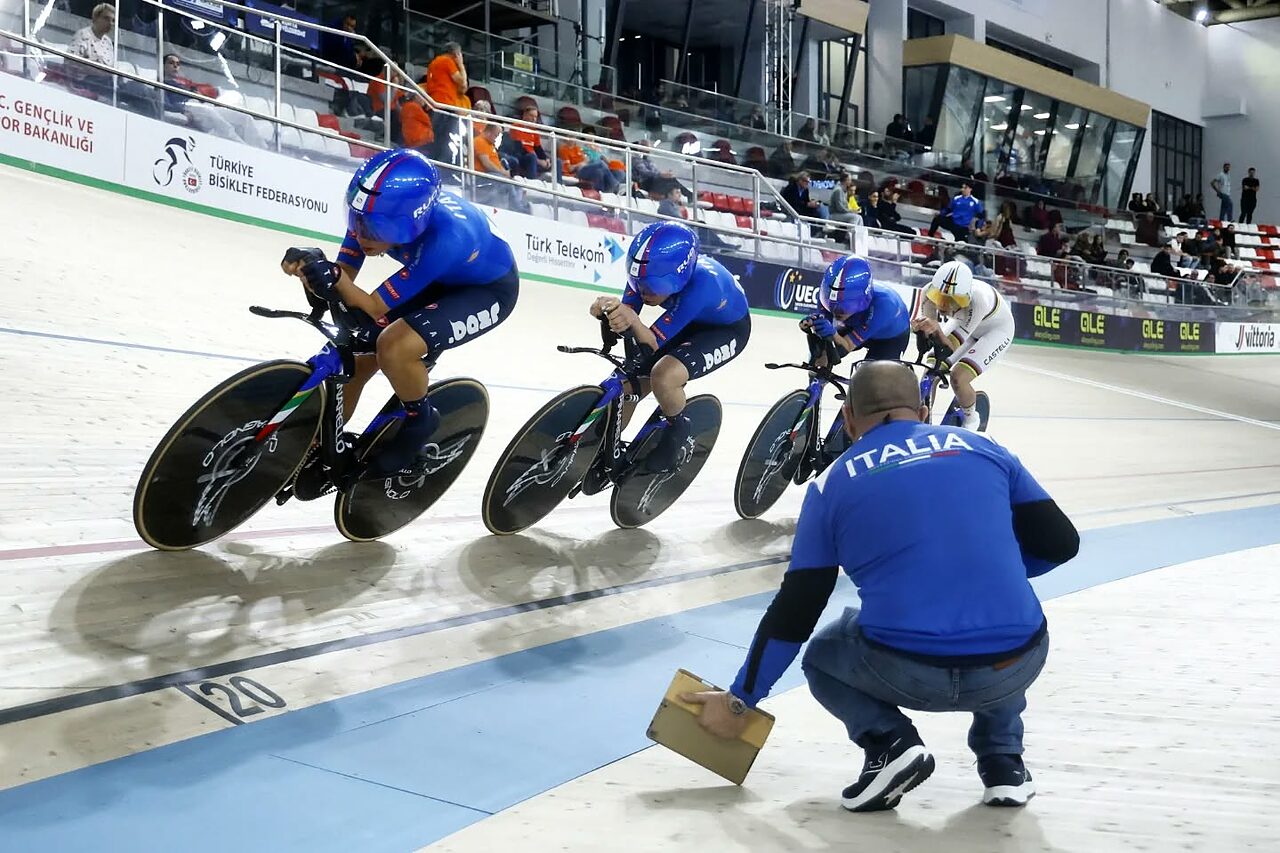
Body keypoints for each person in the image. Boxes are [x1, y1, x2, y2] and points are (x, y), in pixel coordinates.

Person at [682, 360, 1079, 812]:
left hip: (905, 671)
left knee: (824, 656)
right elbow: (1062, 544)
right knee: (1001, 618)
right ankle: (1004, 763)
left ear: (848, 418)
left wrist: (741, 700)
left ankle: (890, 744)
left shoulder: (829, 485)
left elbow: (798, 607)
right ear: (925, 409)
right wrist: (983, 572)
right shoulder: (986, 448)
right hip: (1015, 664)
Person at [281, 149, 519, 480]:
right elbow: (344, 278)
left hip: (485, 291)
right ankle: (317, 446)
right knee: (358, 357)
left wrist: (332, 277)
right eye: (358, 224)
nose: (363, 236)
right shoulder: (373, 210)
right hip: (434, 276)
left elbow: (373, 305)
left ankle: (420, 419)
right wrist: (313, 269)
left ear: (414, 220)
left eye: (378, 229)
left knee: (395, 347)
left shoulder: (449, 237)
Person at [587, 222, 750, 475]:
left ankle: (679, 431)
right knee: (629, 381)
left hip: (724, 330)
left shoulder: (704, 286)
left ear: (679, 278)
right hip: (684, 318)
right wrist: (611, 311)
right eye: (638, 285)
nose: (643, 292)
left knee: (663, 376)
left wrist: (630, 319)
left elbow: (651, 342)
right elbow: (630, 317)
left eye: (653, 288)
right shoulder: (644, 273)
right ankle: (604, 449)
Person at [912, 260, 1015, 431]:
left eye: (951, 300)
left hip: (997, 331)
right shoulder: (927, 293)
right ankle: (923, 423)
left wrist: (935, 329)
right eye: (940, 298)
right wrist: (920, 332)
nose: (943, 305)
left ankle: (971, 420)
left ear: (965, 297)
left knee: (958, 378)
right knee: (929, 373)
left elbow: (949, 346)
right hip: (965, 324)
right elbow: (930, 340)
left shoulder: (978, 300)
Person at [161, 54, 266, 148]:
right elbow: (164, 103)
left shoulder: (185, 83)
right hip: (188, 106)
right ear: (163, 66)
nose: (175, 66)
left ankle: (262, 149)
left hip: (202, 104)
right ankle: (241, 146)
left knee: (245, 118)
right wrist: (182, 110)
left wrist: (199, 95)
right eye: (171, 63)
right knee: (220, 123)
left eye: (178, 64)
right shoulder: (162, 82)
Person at [501, 105, 553, 180]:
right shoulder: (516, 127)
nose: (534, 119)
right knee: (532, 157)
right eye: (531, 116)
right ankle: (531, 183)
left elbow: (538, 148)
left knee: (556, 161)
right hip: (521, 156)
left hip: (533, 158)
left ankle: (557, 188)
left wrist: (545, 159)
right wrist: (538, 161)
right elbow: (519, 148)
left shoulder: (534, 131)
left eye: (535, 117)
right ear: (524, 115)